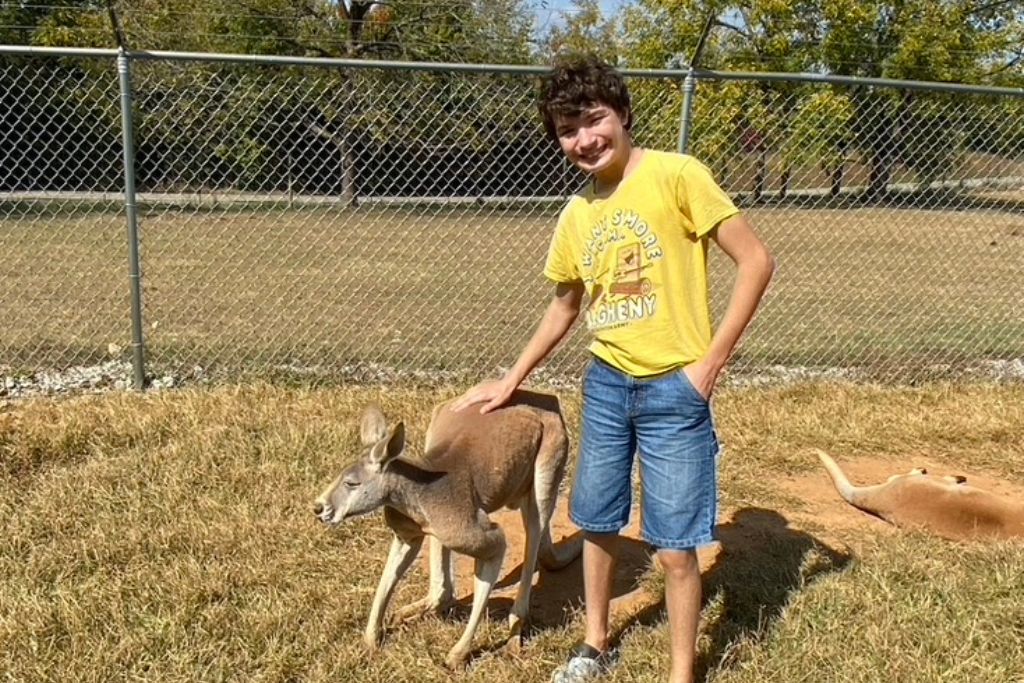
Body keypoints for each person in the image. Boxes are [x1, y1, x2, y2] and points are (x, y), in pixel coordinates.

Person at [452, 52, 774, 683]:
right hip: (605, 387)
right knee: (597, 523)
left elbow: (756, 261)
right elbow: (564, 306)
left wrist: (708, 365)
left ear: (622, 115)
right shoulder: (577, 214)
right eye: (567, 131)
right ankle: (595, 645)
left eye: (593, 120)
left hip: (674, 391)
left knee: (676, 546)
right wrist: (510, 380)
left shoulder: (678, 175)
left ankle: (683, 671)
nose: (583, 139)